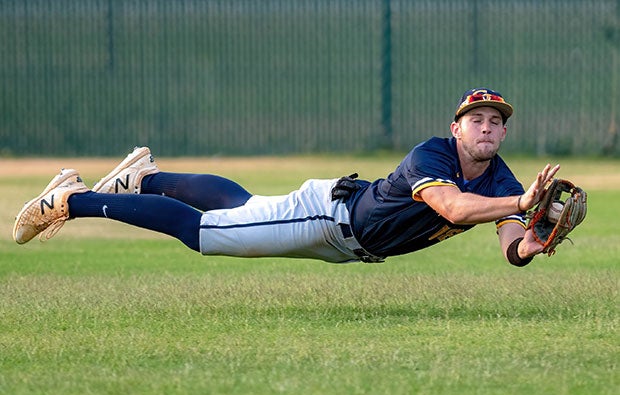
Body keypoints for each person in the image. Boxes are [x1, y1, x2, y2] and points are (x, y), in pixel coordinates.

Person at [14, 87, 559, 266]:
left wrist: (527, 243)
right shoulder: (432, 155)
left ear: (504, 133)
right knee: (204, 235)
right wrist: (522, 200)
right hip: (329, 219)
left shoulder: (500, 177)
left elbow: (509, 236)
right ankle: (73, 199)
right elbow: (457, 210)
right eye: (476, 120)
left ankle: (146, 179)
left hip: (347, 242)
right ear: (456, 127)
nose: (486, 128)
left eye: (495, 122)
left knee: (243, 205)